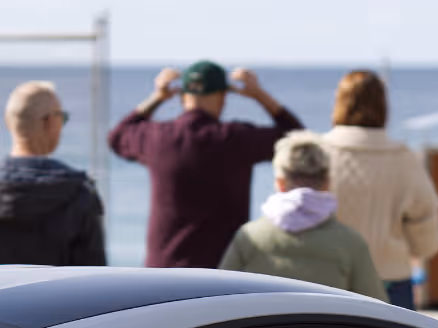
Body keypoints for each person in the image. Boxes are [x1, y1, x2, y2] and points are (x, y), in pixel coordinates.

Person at [107, 60, 303, 269]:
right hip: (223, 270)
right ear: (223, 97)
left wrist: (157, 98)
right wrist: (259, 95)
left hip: (164, 269)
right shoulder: (236, 139)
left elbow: (117, 137)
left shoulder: (157, 138)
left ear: (183, 97)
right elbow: (297, 139)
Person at [0, 81, 104, 269]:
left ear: (9, 122)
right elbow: (92, 282)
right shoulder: (80, 193)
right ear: (49, 122)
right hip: (51, 299)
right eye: (62, 117)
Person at [322, 70, 438, 312]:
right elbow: (426, 232)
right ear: (383, 106)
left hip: (328, 279)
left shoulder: (318, 152)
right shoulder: (403, 158)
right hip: (390, 281)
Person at [220, 131, 386, 300]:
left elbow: (219, 295)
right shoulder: (351, 243)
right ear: (327, 183)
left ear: (280, 183)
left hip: (261, 326)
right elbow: (378, 306)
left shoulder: (250, 237)